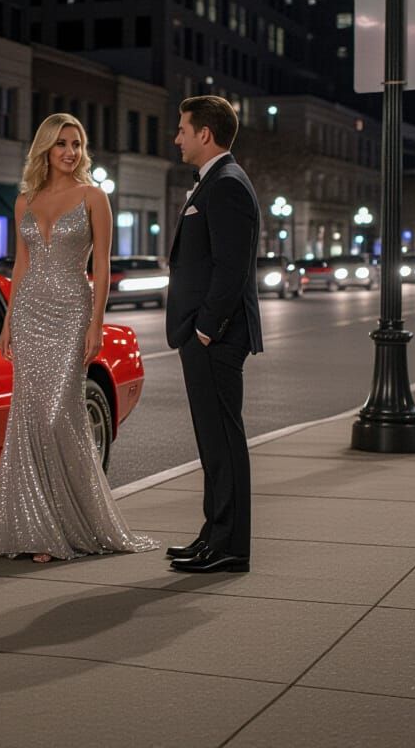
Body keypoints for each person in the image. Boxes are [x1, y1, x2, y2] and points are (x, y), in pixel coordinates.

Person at [0, 113, 159, 563]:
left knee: (59, 415)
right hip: (30, 314)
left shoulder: (93, 197)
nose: (70, 152)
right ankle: (35, 528)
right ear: (45, 148)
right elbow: (21, 264)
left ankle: (69, 522)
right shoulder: (25, 201)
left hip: (70, 313)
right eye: (62, 143)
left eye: (76, 144)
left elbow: (102, 266)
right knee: (28, 416)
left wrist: (96, 323)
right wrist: (8, 322)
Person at [166, 95, 263, 574]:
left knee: (223, 441)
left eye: (183, 129)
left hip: (216, 337)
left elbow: (230, 268)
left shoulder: (226, 184)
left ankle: (229, 546)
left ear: (205, 134)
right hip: (205, 335)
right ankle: (214, 535)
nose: (177, 138)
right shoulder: (216, 181)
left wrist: (205, 329)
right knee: (213, 442)